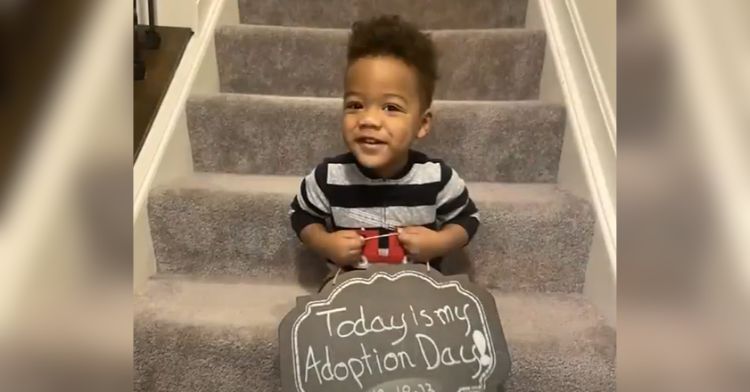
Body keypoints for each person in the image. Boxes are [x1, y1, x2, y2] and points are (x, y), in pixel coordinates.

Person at [289, 15, 479, 274]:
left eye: (391, 107)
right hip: (349, 294)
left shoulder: (437, 178)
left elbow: (468, 220)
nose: (368, 120)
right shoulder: (328, 177)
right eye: (355, 105)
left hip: (419, 297)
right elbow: (301, 216)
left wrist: (438, 243)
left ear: (422, 124)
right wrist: (326, 243)